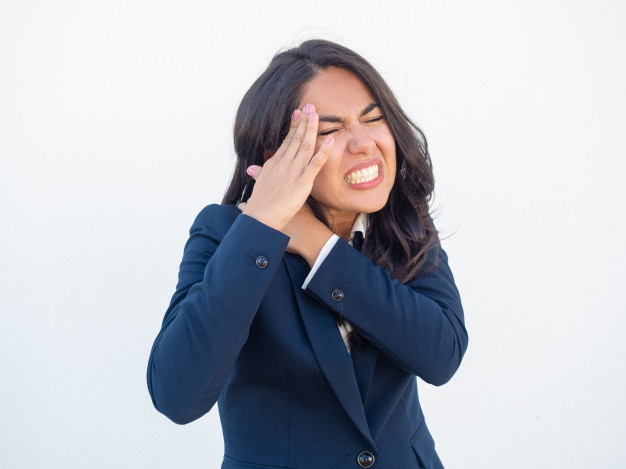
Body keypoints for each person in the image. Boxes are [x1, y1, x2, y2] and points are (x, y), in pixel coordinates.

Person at [147, 39, 468, 469]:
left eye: (373, 118)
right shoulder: (227, 235)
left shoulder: (404, 223)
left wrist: (318, 244)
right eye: (331, 130)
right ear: (278, 156)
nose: (363, 143)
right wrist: (262, 225)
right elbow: (177, 394)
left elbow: (441, 353)